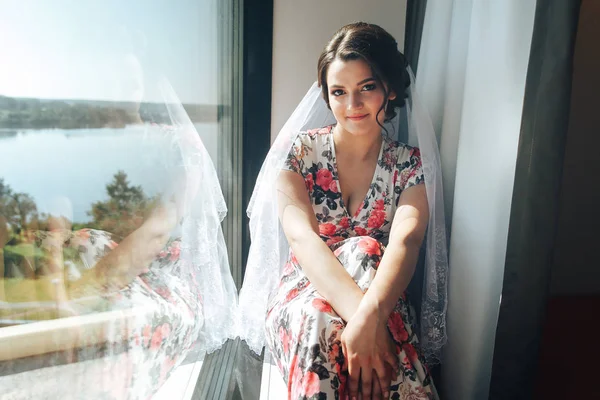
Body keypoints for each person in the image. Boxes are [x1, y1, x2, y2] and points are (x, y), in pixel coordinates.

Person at [239, 22, 448, 400]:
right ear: (326, 96)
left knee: (368, 250)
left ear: (391, 88)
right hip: (306, 293)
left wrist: (369, 316)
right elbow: (302, 239)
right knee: (322, 310)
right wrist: (364, 323)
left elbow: (407, 240)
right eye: (339, 92)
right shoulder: (299, 154)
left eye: (366, 87)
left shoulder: (410, 165)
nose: (352, 105)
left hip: (380, 297)